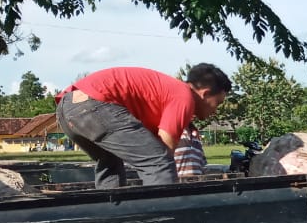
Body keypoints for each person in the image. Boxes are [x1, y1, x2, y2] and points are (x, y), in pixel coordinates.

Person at [56, 64, 231, 188]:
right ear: (206, 93)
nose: (215, 111)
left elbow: (151, 143)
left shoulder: (167, 92)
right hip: (93, 106)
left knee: (110, 162)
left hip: (68, 107)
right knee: (159, 163)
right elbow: (164, 152)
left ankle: (113, 218)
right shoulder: (184, 96)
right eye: (218, 103)